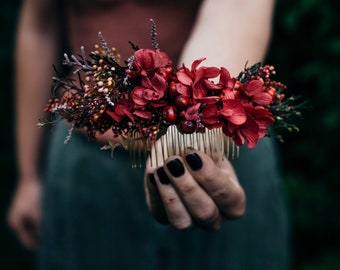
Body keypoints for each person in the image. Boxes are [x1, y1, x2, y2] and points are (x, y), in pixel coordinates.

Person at [8, 0, 291, 269]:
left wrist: (190, 122)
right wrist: (30, 176)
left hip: (221, 148)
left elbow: (236, 8)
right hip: (88, 166)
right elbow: (40, 25)